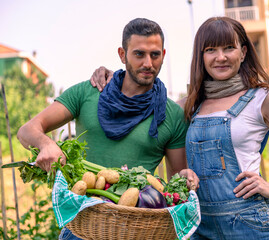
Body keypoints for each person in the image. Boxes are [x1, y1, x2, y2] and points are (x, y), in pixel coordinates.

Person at [90, 17, 269, 240]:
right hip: (200, 227)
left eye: (229, 48)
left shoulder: (262, 99)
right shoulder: (190, 105)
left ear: (243, 52)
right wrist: (114, 77)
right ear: (201, 57)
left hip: (250, 225)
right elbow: (140, 96)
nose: (220, 57)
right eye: (210, 50)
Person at [17, 18, 199, 240]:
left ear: (163, 54)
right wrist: (46, 144)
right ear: (122, 55)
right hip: (82, 228)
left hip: (137, 230)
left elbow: (174, 187)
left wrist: (186, 178)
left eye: (155, 55)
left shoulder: (172, 115)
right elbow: (27, 130)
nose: (148, 63)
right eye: (139, 54)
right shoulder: (88, 93)